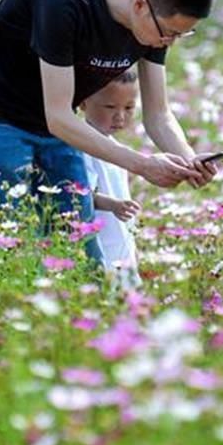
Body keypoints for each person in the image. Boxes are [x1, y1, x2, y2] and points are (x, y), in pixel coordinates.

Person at [0, 0, 219, 264]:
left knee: (81, 239)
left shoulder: (152, 20)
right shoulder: (65, 1)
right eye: (171, 32)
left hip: (58, 122)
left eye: (181, 35)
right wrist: (143, 165)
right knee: (13, 241)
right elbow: (59, 117)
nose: (170, 43)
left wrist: (189, 160)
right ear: (139, 7)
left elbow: (158, 115)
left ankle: (89, 305)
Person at [79, 69, 143, 291]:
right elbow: (82, 192)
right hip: (100, 243)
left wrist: (132, 245)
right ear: (83, 103)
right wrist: (114, 205)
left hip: (121, 242)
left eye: (129, 108)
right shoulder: (82, 147)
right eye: (110, 107)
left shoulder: (117, 148)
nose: (120, 116)